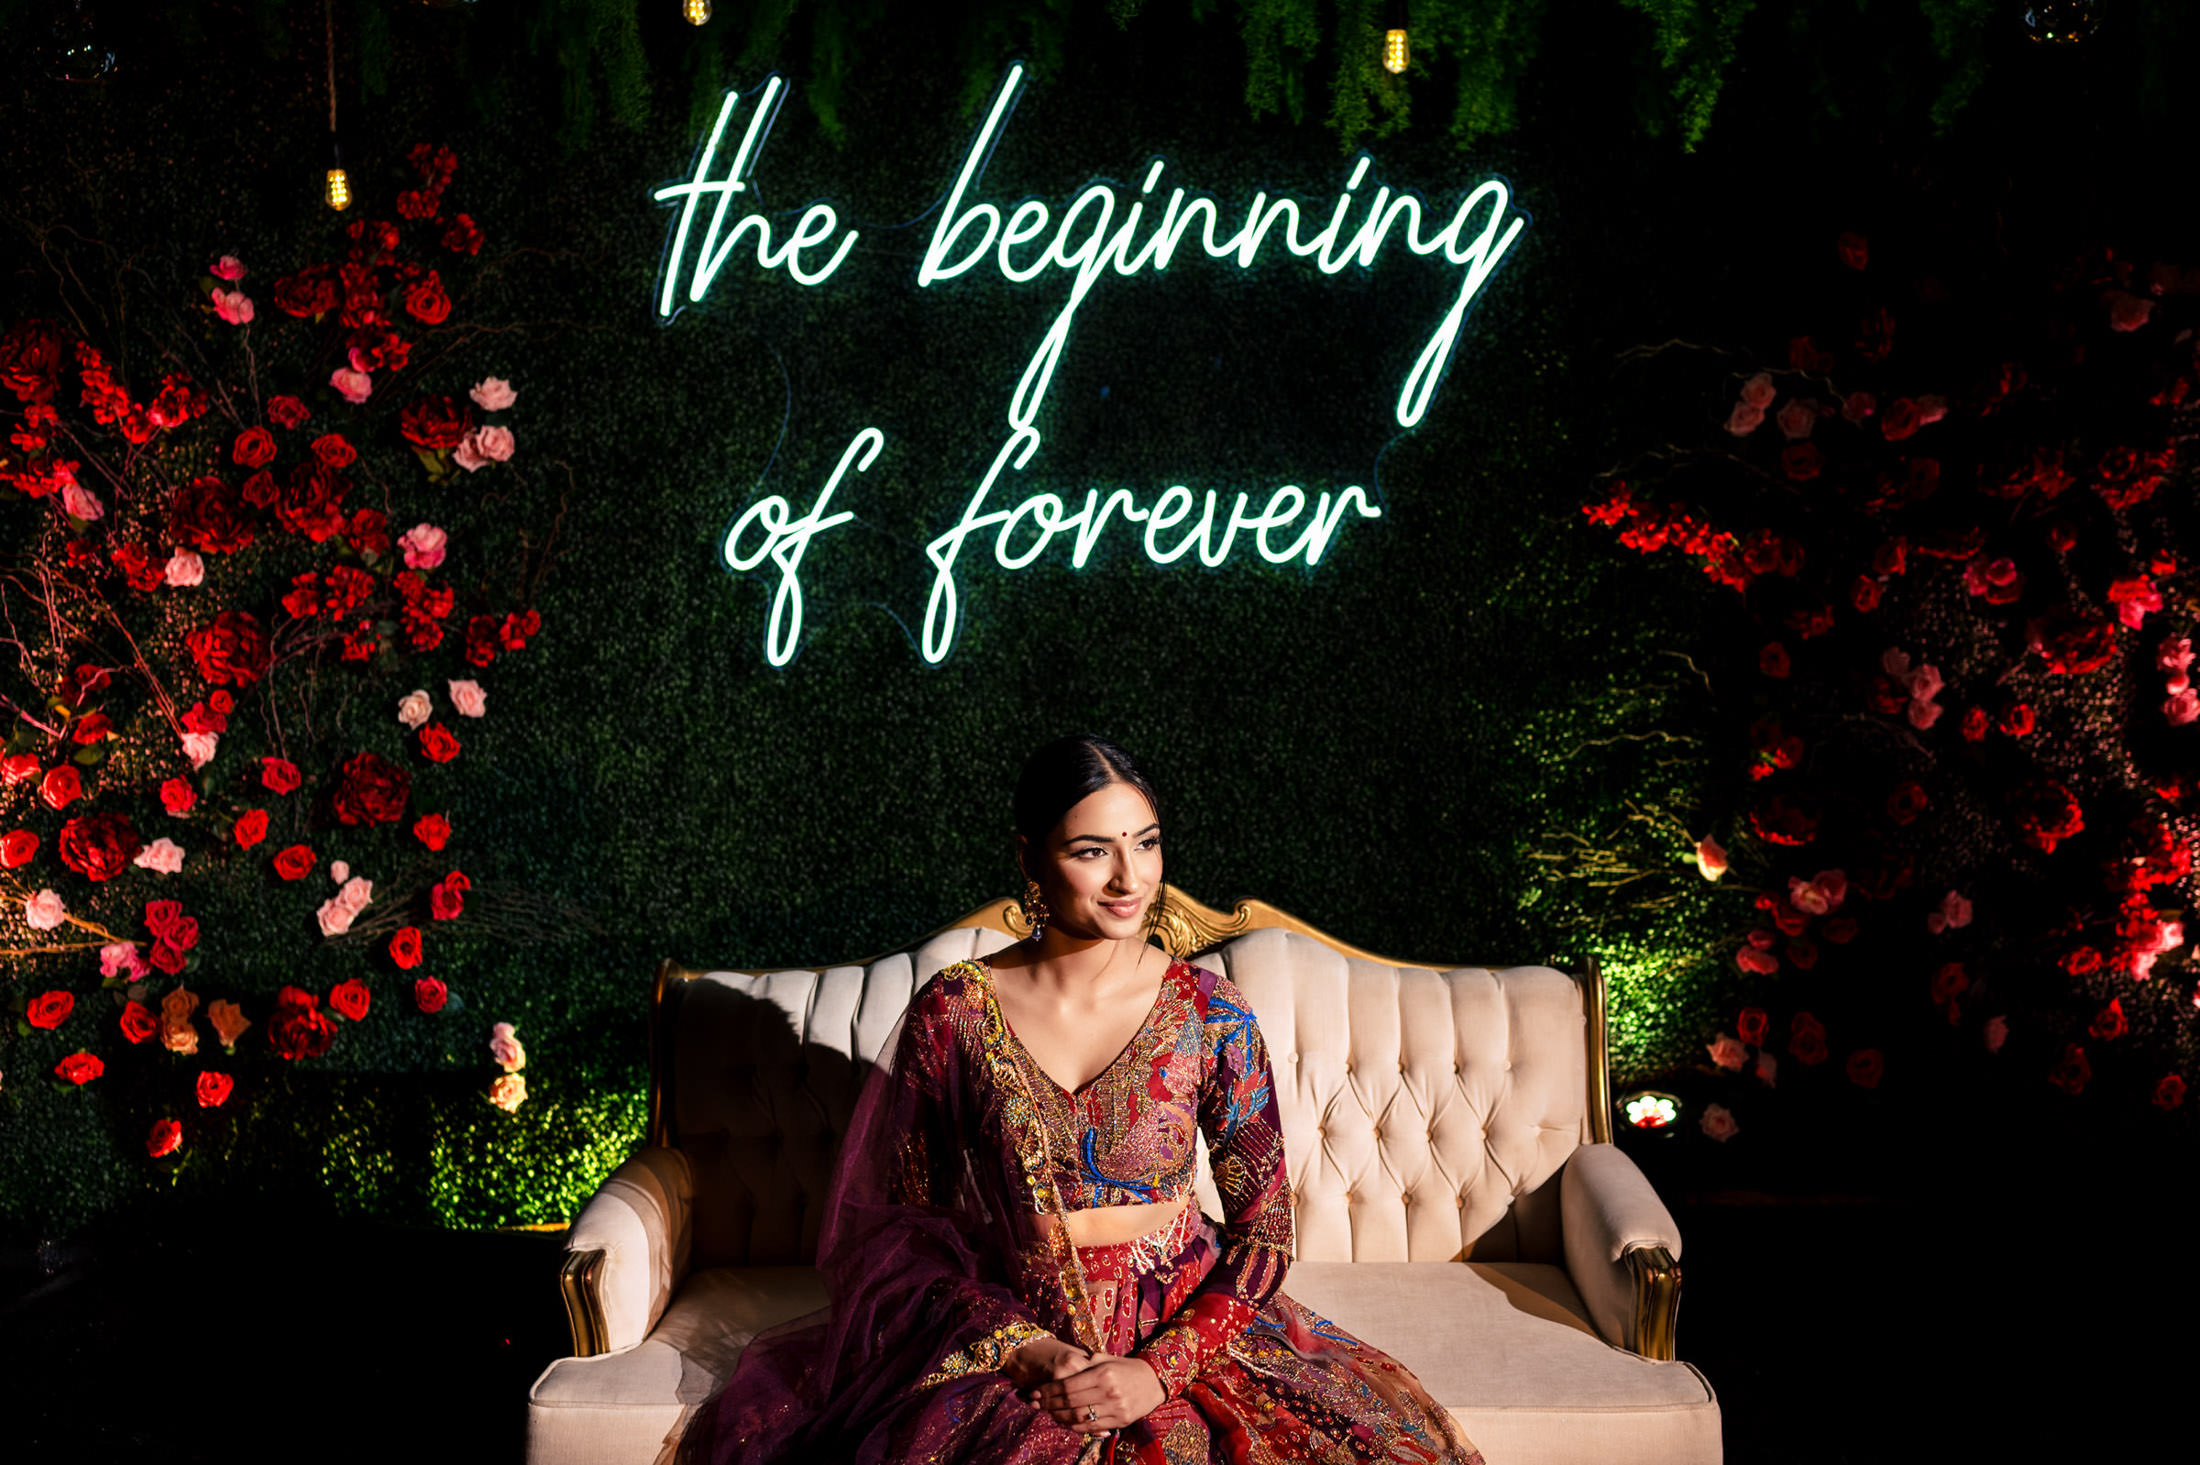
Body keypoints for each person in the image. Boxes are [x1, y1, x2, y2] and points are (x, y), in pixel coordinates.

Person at [676, 735, 1481, 1464]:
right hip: (1013, 1330)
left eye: (1146, 843)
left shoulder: (1209, 1011)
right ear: (1031, 859)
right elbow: (899, 1234)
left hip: (1184, 1328)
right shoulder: (956, 1010)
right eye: (1093, 851)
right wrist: (1030, 1351)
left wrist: (1155, 1372)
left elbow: (1265, 1234)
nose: (1130, 878)